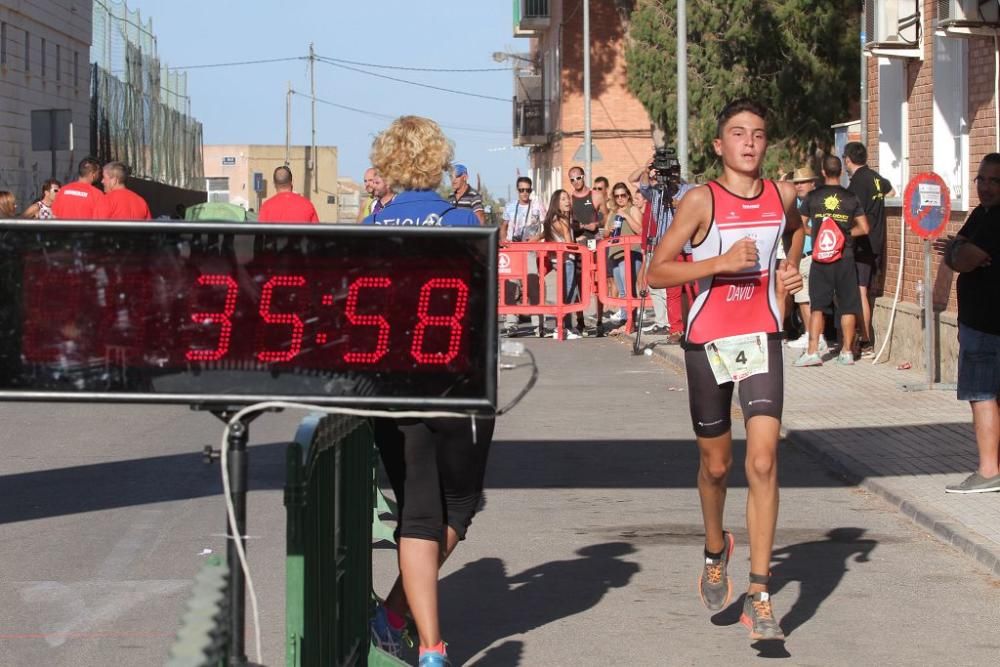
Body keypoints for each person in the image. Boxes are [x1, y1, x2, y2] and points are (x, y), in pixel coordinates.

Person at [645, 99, 804, 641]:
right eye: (738, 134)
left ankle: (759, 594)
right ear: (719, 145)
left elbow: (797, 230)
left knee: (763, 460)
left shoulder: (782, 196)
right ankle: (716, 547)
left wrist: (788, 268)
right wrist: (718, 263)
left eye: (758, 134)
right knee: (716, 466)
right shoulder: (700, 201)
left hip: (761, 335)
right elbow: (655, 273)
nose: (750, 143)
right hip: (708, 338)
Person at [362, 116, 493, 667]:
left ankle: (425, 642)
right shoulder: (465, 221)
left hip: (395, 383)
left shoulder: (370, 228)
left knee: (416, 514)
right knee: (458, 507)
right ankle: (400, 621)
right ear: (440, 159)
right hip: (458, 385)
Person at [938, 153, 1000, 493]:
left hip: (986, 325)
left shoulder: (994, 220)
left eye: (994, 180)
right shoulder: (980, 214)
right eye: (981, 179)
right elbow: (956, 251)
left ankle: (989, 471)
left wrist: (957, 248)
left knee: (982, 395)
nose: (986, 187)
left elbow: (963, 259)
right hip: (978, 322)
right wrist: (957, 247)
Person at [794, 156, 869, 367]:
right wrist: (844, 237)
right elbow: (864, 228)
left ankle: (812, 352)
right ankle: (846, 353)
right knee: (847, 305)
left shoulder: (813, 197)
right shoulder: (850, 197)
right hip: (845, 258)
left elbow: (801, 225)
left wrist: (816, 235)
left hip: (821, 258)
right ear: (841, 172)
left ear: (823, 172)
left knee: (817, 305)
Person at [631, 152, 695, 341]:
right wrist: (646, 169)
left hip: (689, 246)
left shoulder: (689, 190)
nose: (669, 178)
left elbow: (701, 204)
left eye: (672, 172)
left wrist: (678, 204)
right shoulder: (657, 192)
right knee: (672, 290)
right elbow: (642, 186)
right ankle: (675, 329)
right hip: (667, 248)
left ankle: (695, 326)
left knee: (693, 288)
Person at [844, 141, 894, 357]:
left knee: (860, 292)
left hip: (862, 244)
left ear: (847, 159)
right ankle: (862, 339)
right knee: (862, 291)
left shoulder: (856, 184)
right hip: (877, 241)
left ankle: (865, 342)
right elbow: (891, 192)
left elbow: (849, 216)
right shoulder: (876, 178)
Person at [785, 167, 827, 351]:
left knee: (807, 299)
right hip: (801, 256)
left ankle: (815, 337)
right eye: (796, 183)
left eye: (803, 182)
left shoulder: (815, 203)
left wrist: (809, 231)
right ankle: (812, 334)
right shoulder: (796, 203)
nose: (799, 186)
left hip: (812, 255)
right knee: (803, 299)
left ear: (813, 183)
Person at [500, 176, 545, 337]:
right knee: (510, 287)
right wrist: (504, 240)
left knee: (533, 285)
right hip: (512, 250)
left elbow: (546, 228)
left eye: (527, 190)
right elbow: (504, 225)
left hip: (530, 250)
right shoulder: (510, 206)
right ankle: (511, 324)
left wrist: (536, 239)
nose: (524, 193)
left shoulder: (538, 206)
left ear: (531, 190)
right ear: (517, 190)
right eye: (521, 190)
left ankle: (538, 325)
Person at [540, 189, 582, 339]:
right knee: (568, 294)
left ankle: (567, 326)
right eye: (563, 199)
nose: (568, 202)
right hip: (565, 260)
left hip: (562, 260)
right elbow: (569, 241)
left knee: (568, 292)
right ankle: (562, 327)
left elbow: (544, 234)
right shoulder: (560, 220)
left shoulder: (555, 218)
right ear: (556, 202)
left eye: (568, 199)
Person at [604, 182, 644, 328]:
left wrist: (626, 216)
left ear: (628, 195)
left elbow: (640, 230)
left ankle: (631, 320)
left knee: (628, 287)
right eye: (617, 196)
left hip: (631, 252)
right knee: (621, 289)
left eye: (623, 195)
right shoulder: (612, 212)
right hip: (615, 253)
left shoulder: (632, 209)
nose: (620, 199)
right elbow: (606, 234)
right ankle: (625, 318)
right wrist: (610, 228)